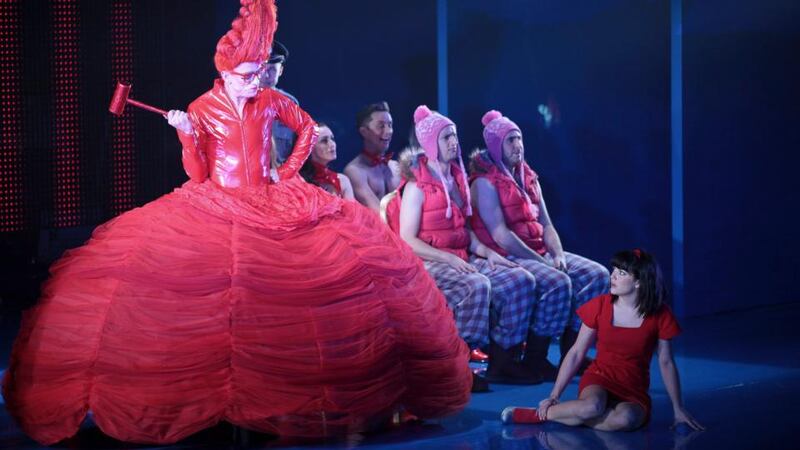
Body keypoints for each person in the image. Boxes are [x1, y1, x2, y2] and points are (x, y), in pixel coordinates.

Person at [2, 1, 471, 445]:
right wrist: (188, 137)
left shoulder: (267, 99)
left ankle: (281, 403)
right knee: (220, 298)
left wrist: (285, 173)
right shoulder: (204, 108)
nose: (255, 82)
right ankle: (218, 409)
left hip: (273, 198)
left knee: (291, 294)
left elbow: (305, 127)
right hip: (218, 202)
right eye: (246, 75)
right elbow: (199, 174)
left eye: (258, 73)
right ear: (225, 72)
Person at [386, 105, 542, 391]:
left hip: (459, 255)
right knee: (476, 285)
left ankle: (503, 359)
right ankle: (459, 365)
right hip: (428, 260)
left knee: (520, 279)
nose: (453, 142)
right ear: (431, 143)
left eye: (454, 135)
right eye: (446, 137)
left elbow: (465, 231)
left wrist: (488, 252)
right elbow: (407, 239)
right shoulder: (417, 185)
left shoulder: (456, 180)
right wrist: (447, 258)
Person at [501, 249, 704, 433]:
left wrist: (678, 408)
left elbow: (666, 362)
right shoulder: (599, 305)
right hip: (599, 378)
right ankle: (538, 414)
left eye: (622, 273)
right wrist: (554, 395)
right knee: (592, 407)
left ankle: (571, 415)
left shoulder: (660, 314)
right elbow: (576, 353)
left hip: (633, 387)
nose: (613, 276)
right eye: (613, 270)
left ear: (639, 281)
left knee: (626, 419)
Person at [470, 110, 609, 378]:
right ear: (496, 145)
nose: (517, 145)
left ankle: (574, 354)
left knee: (597, 276)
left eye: (519, 138)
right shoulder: (484, 184)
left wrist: (557, 254)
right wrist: (541, 261)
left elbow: (546, 223)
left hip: (537, 251)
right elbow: (501, 234)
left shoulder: (529, 177)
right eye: (510, 140)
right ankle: (533, 357)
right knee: (557, 281)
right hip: (507, 254)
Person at [344, 101, 400, 213]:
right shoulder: (354, 171)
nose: (389, 131)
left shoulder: (396, 166)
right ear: (364, 132)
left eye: (390, 125)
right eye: (381, 126)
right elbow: (379, 214)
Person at [259, 40, 298, 167]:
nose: (266, 74)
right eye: (262, 68)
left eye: (272, 69)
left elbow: (295, 148)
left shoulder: (290, 103)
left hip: (280, 176)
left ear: (280, 71)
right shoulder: (240, 99)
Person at [299, 123, 354, 199]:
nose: (332, 144)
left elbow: (351, 210)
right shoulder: (299, 180)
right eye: (324, 141)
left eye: (332, 138)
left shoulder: (342, 180)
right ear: (310, 147)